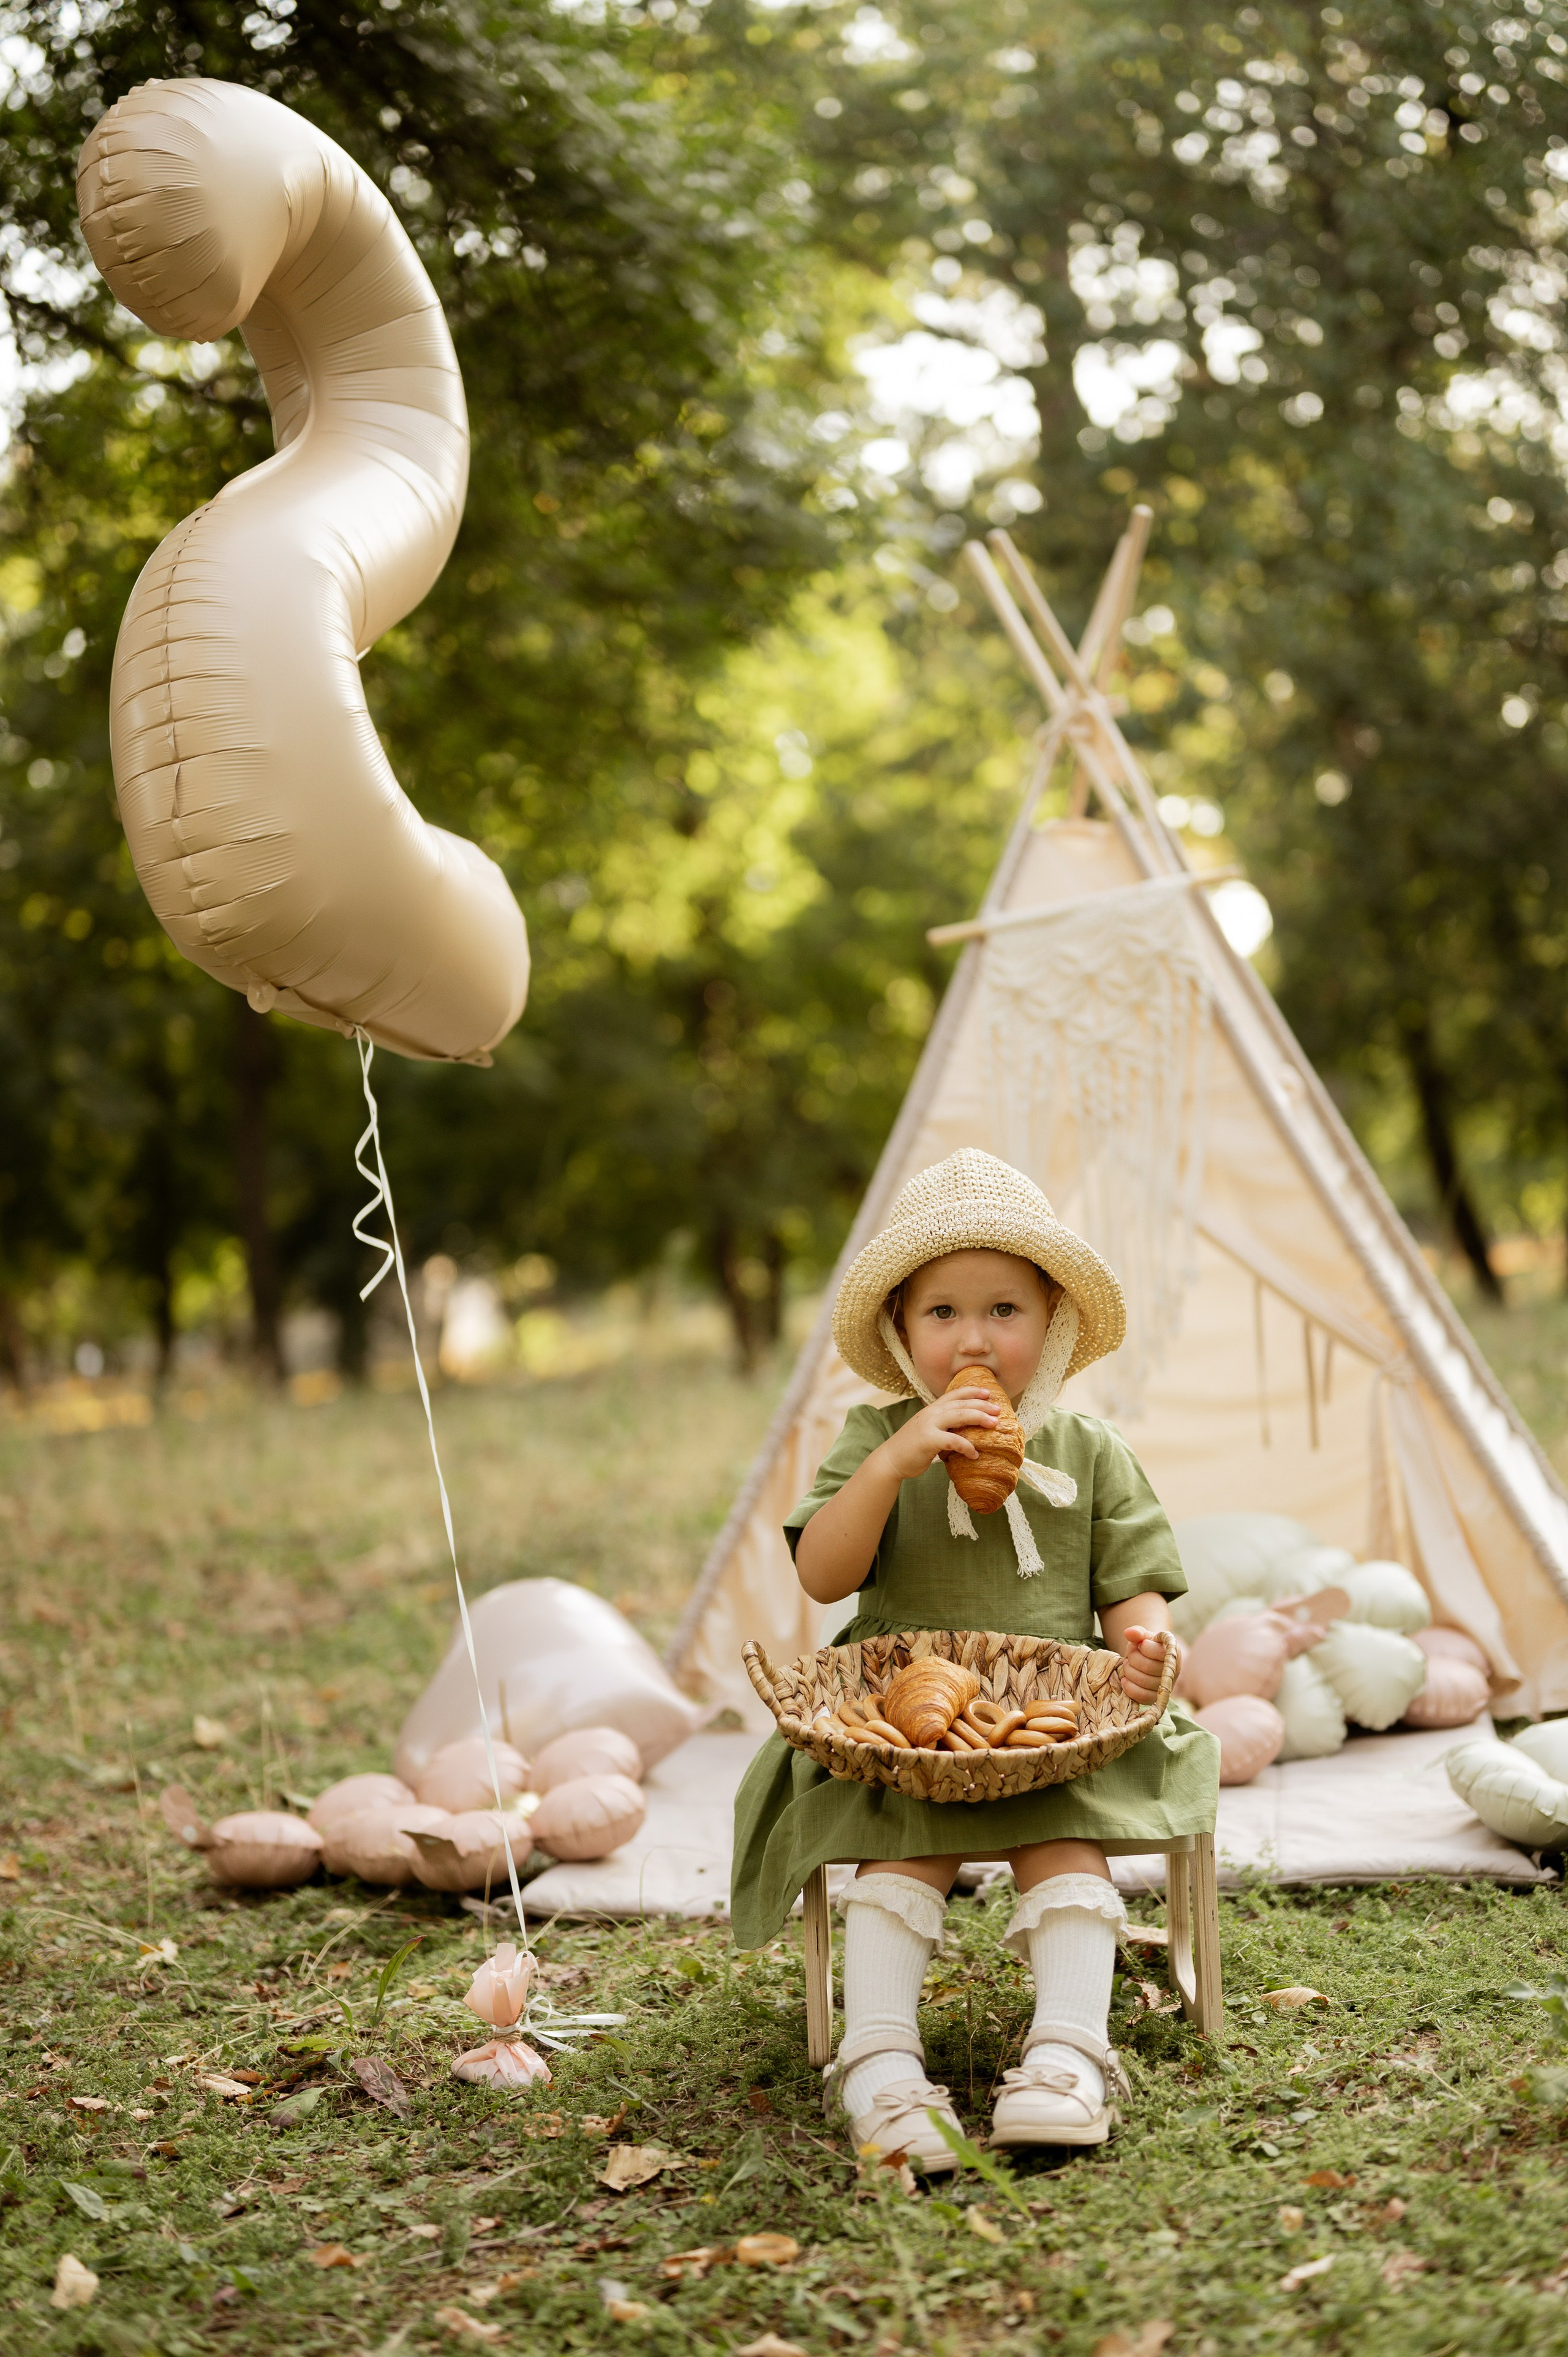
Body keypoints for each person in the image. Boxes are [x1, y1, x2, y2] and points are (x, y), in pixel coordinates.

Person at [730, 1148, 1219, 2168]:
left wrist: (1144, 1652)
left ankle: (1070, 2055)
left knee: (1065, 1856)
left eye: (1004, 1309)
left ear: (1052, 1325)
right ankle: (878, 2063)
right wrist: (897, 1460)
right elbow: (823, 1575)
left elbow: (1139, 1603)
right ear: (904, 1334)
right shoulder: (873, 1436)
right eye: (942, 1313)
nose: (974, 1339)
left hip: (1058, 1728)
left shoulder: (1089, 1451)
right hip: (903, 1733)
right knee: (900, 1860)